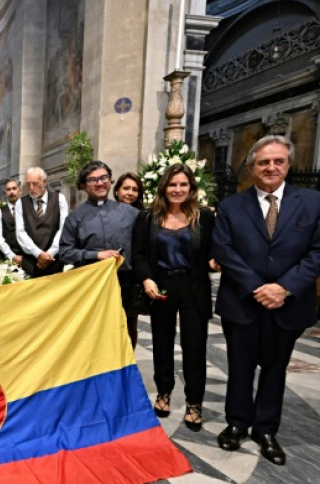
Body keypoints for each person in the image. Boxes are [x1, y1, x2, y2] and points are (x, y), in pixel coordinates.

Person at [213, 135, 320, 466]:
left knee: (276, 368)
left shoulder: (314, 203)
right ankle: (237, 423)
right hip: (242, 301)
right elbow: (224, 249)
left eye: (278, 161)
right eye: (263, 162)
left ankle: (266, 429)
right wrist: (258, 287)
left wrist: (284, 287)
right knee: (239, 366)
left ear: (288, 165)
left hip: (289, 303)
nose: (271, 167)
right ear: (251, 167)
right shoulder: (231, 207)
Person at [132, 164, 218, 432]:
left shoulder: (204, 216)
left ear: (191, 187)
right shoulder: (148, 217)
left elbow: (213, 249)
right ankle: (164, 392)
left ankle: (194, 403)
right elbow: (138, 254)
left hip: (193, 286)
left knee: (195, 346)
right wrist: (146, 278)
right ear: (164, 187)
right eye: (172, 184)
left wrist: (215, 261)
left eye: (183, 184)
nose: (178, 189)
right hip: (161, 286)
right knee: (162, 343)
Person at [58, 160, 139, 343]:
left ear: (110, 180)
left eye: (104, 178)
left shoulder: (130, 213)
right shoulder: (74, 218)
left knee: (127, 329)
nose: (100, 183)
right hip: (91, 282)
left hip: (125, 282)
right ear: (83, 186)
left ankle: (126, 362)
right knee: (95, 333)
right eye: (93, 180)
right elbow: (65, 252)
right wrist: (96, 255)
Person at [113, 172, 149, 344]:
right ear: (117, 191)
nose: (130, 193)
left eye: (135, 190)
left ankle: (129, 357)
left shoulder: (144, 215)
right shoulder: (106, 212)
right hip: (111, 273)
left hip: (132, 275)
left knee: (129, 322)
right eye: (126, 188)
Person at [16, 166, 68, 278]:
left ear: (44, 182)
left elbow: (63, 229)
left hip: (54, 261)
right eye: (28, 184)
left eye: (35, 183)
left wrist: (49, 254)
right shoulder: (21, 203)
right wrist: (38, 254)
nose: (31, 188)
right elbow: (20, 233)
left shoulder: (59, 199)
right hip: (30, 263)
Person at [0, 178, 24, 265]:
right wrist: (12, 256)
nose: (11, 192)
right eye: (8, 189)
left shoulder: (29, 210)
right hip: (7, 260)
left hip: (28, 258)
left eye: (14, 188)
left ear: (20, 191)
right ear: (6, 193)